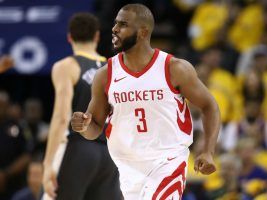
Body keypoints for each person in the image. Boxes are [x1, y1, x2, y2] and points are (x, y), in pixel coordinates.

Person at [71, 4, 221, 200]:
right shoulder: (105, 75)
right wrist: (84, 125)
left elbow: (210, 106)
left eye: (123, 24)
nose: (115, 29)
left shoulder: (174, 68)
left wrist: (208, 151)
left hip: (167, 160)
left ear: (142, 32)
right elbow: (95, 129)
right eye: (115, 23)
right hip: (126, 166)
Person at [42, 13, 121, 200]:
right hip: (110, 155)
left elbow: (61, 117)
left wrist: (48, 164)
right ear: (97, 36)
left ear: (69, 37)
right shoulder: (113, 68)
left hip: (79, 149)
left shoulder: (66, 66)